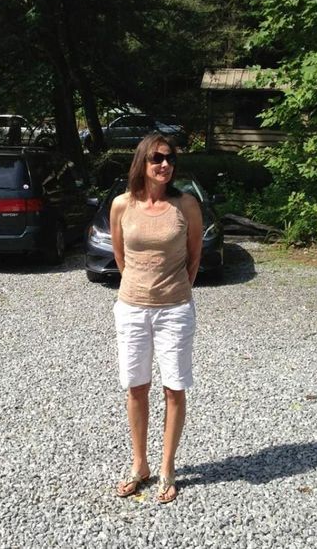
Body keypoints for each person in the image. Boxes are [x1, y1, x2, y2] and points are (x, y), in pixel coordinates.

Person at [110, 133, 203, 504]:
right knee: (136, 387)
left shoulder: (186, 205)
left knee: (174, 388)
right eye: (157, 158)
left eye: (170, 158)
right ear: (142, 162)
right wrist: (140, 289)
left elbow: (194, 256)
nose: (165, 164)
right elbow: (121, 256)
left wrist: (175, 292)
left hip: (175, 311)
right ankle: (140, 465)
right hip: (132, 309)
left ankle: (167, 467)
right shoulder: (122, 205)